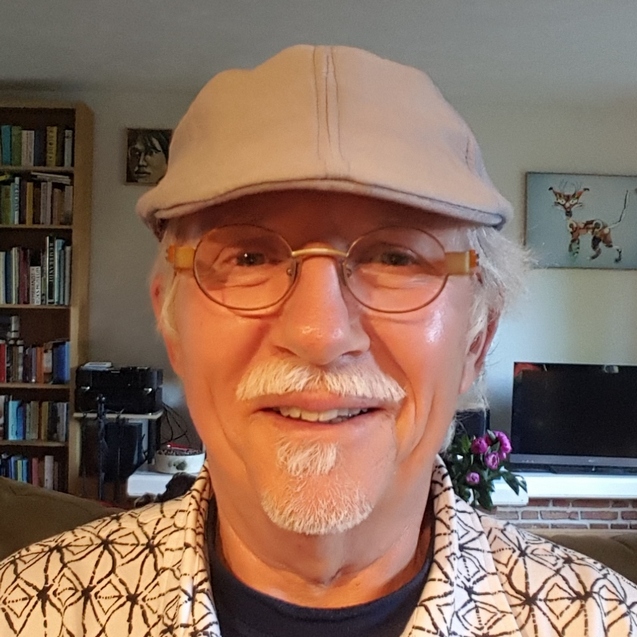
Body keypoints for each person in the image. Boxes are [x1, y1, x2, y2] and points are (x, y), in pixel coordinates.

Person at [1, 45, 636, 637]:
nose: (320, 333)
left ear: (477, 338)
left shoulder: (606, 621)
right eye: (249, 257)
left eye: (395, 257)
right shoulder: (25, 609)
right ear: (173, 327)